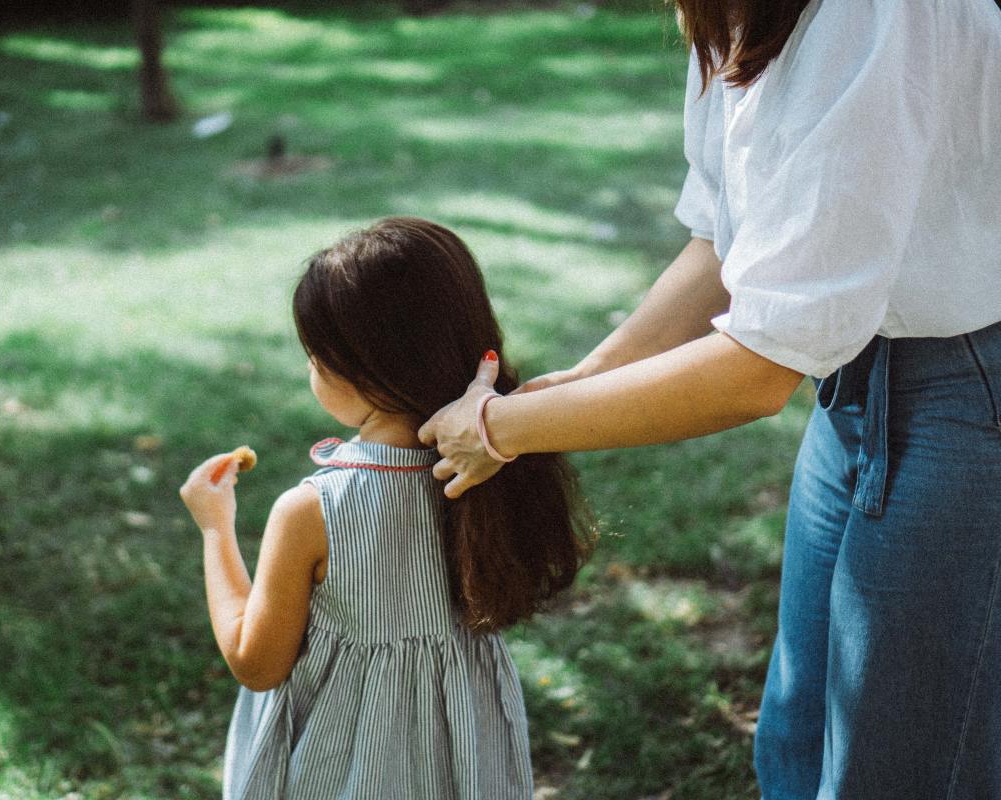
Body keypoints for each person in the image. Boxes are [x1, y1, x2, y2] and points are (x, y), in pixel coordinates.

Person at [418, 2, 1001, 798]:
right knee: (797, 744)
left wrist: (505, 427)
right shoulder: (734, 12)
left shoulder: (874, 15)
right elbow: (727, 242)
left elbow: (760, 370)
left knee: (897, 770)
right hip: (859, 388)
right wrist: (591, 374)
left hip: (969, 395)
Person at [179, 217, 594, 800]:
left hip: (342, 763)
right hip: (463, 759)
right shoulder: (499, 463)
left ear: (358, 371)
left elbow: (257, 663)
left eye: (315, 357)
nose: (309, 369)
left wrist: (215, 529)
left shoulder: (312, 511)